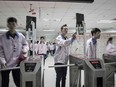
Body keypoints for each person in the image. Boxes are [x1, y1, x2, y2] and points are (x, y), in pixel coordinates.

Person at [0, 17, 29, 87]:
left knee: (18, 81)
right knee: (4, 82)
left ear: (16, 25)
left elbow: (25, 44)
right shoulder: (2, 37)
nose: (11, 26)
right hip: (5, 64)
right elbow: (0, 50)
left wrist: (24, 50)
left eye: (13, 24)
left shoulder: (21, 36)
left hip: (17, 63)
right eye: (10, 24)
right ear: (7, 25)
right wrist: (2, 61)